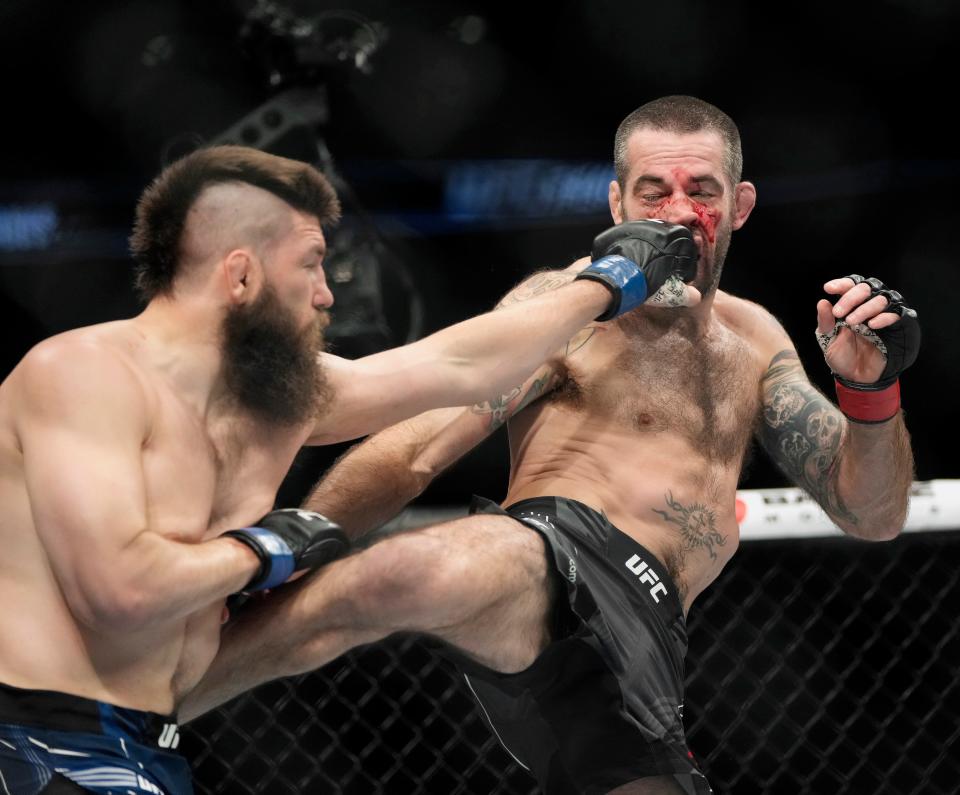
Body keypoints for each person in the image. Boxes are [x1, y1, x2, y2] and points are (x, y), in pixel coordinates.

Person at [179, 98, 920, 795]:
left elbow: (872, 512)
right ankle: (136, 709)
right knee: (407, 569)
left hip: (648, 640)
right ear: (616, 205)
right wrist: (301, 547)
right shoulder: (567, 306)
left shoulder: (755, 341)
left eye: (701, 189)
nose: (675, 212)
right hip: (553, 555)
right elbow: (418, 446)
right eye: (652, 191)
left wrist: (871, 395)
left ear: (739, 207)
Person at [0, 144, 671, 795]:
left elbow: (460, 366)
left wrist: (602, 284)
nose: (326, 295)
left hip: (144, 741)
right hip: (33, 738)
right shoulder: (82, 374)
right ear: (241, 275)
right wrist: (264, 551)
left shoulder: (274, 401)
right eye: (312, 264)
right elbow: (119, 592)